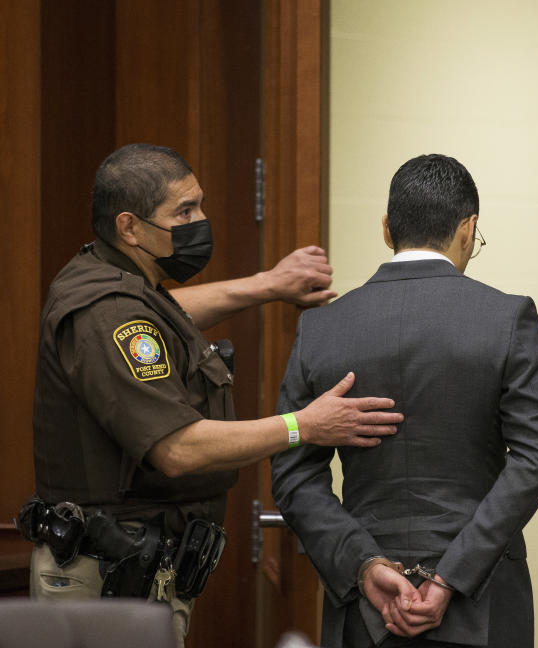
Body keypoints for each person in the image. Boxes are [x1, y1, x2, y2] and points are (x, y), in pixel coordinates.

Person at [20, 143, 404, 647]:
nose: (201, 221)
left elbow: (165, 315)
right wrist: (303, 425)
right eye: (184, 211)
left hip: (128, 575)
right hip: (106, 585)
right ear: (129, 226)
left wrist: (269, 284)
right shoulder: (106, 309)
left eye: (199, 204)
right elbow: (177, 449)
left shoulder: (120, 283)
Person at [271, 154, 538, 648]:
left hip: (366, 611)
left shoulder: (321, 328)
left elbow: (294, 473)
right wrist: (452, 575)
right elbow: (535, 459)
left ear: (387, 229)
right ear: (468, 228)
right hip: (484, 598)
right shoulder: (508, 318)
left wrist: (362, 564)